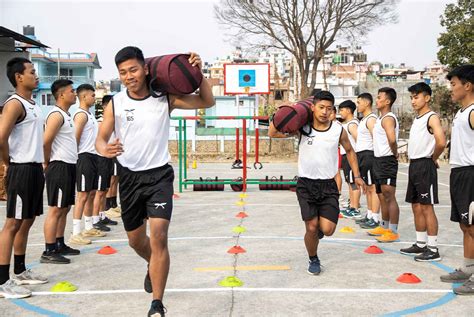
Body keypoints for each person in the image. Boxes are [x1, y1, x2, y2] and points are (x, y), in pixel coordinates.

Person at [96, 46, 215, 316]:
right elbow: (101, 138)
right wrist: (105, 149)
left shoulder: (165, 98)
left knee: (159, 236)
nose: (129, 76)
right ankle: (153, 265)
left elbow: (206, 102)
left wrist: (200, 72)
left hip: (159, 176)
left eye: (133, 70)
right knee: (136, 241)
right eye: (123, 72)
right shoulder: (116, 102)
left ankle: (157, 304)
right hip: (129, 178)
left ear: (146, 68)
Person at [269, 91, 365, 276]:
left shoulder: (338, 129)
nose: (324, 112)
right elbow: (272, 132)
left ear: (333, 110)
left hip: (328, 185)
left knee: (327, 230)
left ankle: (317, 235)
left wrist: (357, 174)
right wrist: (283, 111)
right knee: (311, 227)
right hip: (306, 185)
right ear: (313, 107)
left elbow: (350, 151)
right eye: (321, 107)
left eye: (329, 109)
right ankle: (313, 258)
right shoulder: (302, 128)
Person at [0, 57, 47, 298]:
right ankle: (1, 281)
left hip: (34, 169)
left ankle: (19, 271)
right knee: (13, 224)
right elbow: (1, 137)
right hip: (20, 169)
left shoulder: (33, 104)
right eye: (31, 71)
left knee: (27, 220)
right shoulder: (14, 104)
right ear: (19, 77)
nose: (35, 75)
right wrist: (9, 163)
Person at [401, 82, 446, 262]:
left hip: (425, 165)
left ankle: (433, 248)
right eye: (412, 97)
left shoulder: (431, 117)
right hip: (414, 165)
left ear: (427, 98)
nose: (413, 100)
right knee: (416, 206)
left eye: (416, 97)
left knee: (427, 207)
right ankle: (420, 243)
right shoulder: (417, 118)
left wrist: (433, 158)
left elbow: (441, 141)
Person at [439, 65, 474, 295]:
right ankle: (467, 268)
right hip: (458, 172)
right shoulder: (462, 112)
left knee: (473, 227)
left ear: (468, 85)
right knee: (465, 226)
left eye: (454, 84)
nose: (451, 89)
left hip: (472, 173)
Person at [41, 79, 79, 264]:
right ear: (62, 94)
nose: (75, 94)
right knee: (56, 209)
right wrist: (46, 163)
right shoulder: (56, 115)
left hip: (69, 165)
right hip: (59, 165)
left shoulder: (67, 115)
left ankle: (59, 243)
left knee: (65, 207)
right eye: (72, 91)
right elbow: (45, 141)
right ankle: (49, 250)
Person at [69, 84, 108, 246]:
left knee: (91, 193)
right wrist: (76, 158)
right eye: (92, 95)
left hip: (93, 157)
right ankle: (76, 232)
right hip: (83, 157)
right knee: (83, 195)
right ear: (84, 97)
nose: (94, 98)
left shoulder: (89, 115)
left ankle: (88, 226)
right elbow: (75, 139)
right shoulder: (80, 115)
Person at [368, 87, 401, 243]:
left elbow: (392, 139)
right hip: (377, 160)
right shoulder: (380, 118)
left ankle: (393, 231)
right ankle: (384, 225)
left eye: (379, 97)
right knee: (381, 195)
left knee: (389, 196)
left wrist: (394, 153)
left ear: (387, 101)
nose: (377, 99)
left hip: (387, 160)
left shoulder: (388, 118)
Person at [93, 95, 119, 228]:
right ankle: (95, 219)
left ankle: (102, 215)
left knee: (105, 188)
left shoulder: (113, 121)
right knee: (99, 190)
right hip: (101, 158)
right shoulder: (100, 122)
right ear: (104, 106)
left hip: (110, 157)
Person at [355, 93, 381, 229]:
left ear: (366, 103)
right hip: (362, 156)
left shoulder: (371, 119)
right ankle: (370, 215)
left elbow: (375, 138)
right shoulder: (364, 119)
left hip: (369, 155)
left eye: (359, 102)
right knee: (367, 188)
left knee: (373, 188)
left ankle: (375, 218)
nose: (357, 105)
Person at [338, 100, 362, 219]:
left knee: (354, 183)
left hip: (351, 156)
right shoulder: (346, 124)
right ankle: (352, 206)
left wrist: (357, 156)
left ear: (348, 110)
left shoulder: (352, 124)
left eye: (341, 110)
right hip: (345, 156)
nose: (340, 113)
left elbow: (359, 140)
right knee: (350, 182)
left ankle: (355, 208)